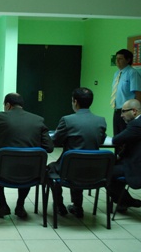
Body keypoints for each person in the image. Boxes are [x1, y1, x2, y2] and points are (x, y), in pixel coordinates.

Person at [0, 93, 53, 219]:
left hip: (2, 171)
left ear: (8, 105)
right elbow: (49, 147)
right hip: (30, 173)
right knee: (26, 167)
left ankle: (3, 205)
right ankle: (20, 205)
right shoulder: (38, 120)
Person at [48, 88, 107, 218]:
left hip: (69, 169)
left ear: (75, 102)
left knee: (50, 170)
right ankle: (77, 206)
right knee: (80, 164)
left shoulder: (67, 120)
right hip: (94, 171)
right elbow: (101, 140)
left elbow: (56, 141)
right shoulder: (101, 121)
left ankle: (59, 205)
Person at [109, 99, 141, 212]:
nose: (121, 115)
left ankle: (127, 201)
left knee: (105, 173)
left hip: (136, 166)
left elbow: (116, 139)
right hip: (135, 160)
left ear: (134, 111)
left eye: (123, 111)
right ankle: (123, 202)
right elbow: (131, 145)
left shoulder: (136, 125)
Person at [111, 49, 141, 136]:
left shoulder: (133, 73)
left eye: (120, 59)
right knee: (117, 136)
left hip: (128, 111)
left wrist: (139, 112)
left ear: (128, 60)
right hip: (117, 110)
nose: (117, 61)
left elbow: (138, 93)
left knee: (125, 137)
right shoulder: (117, 73)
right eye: (116, 59)